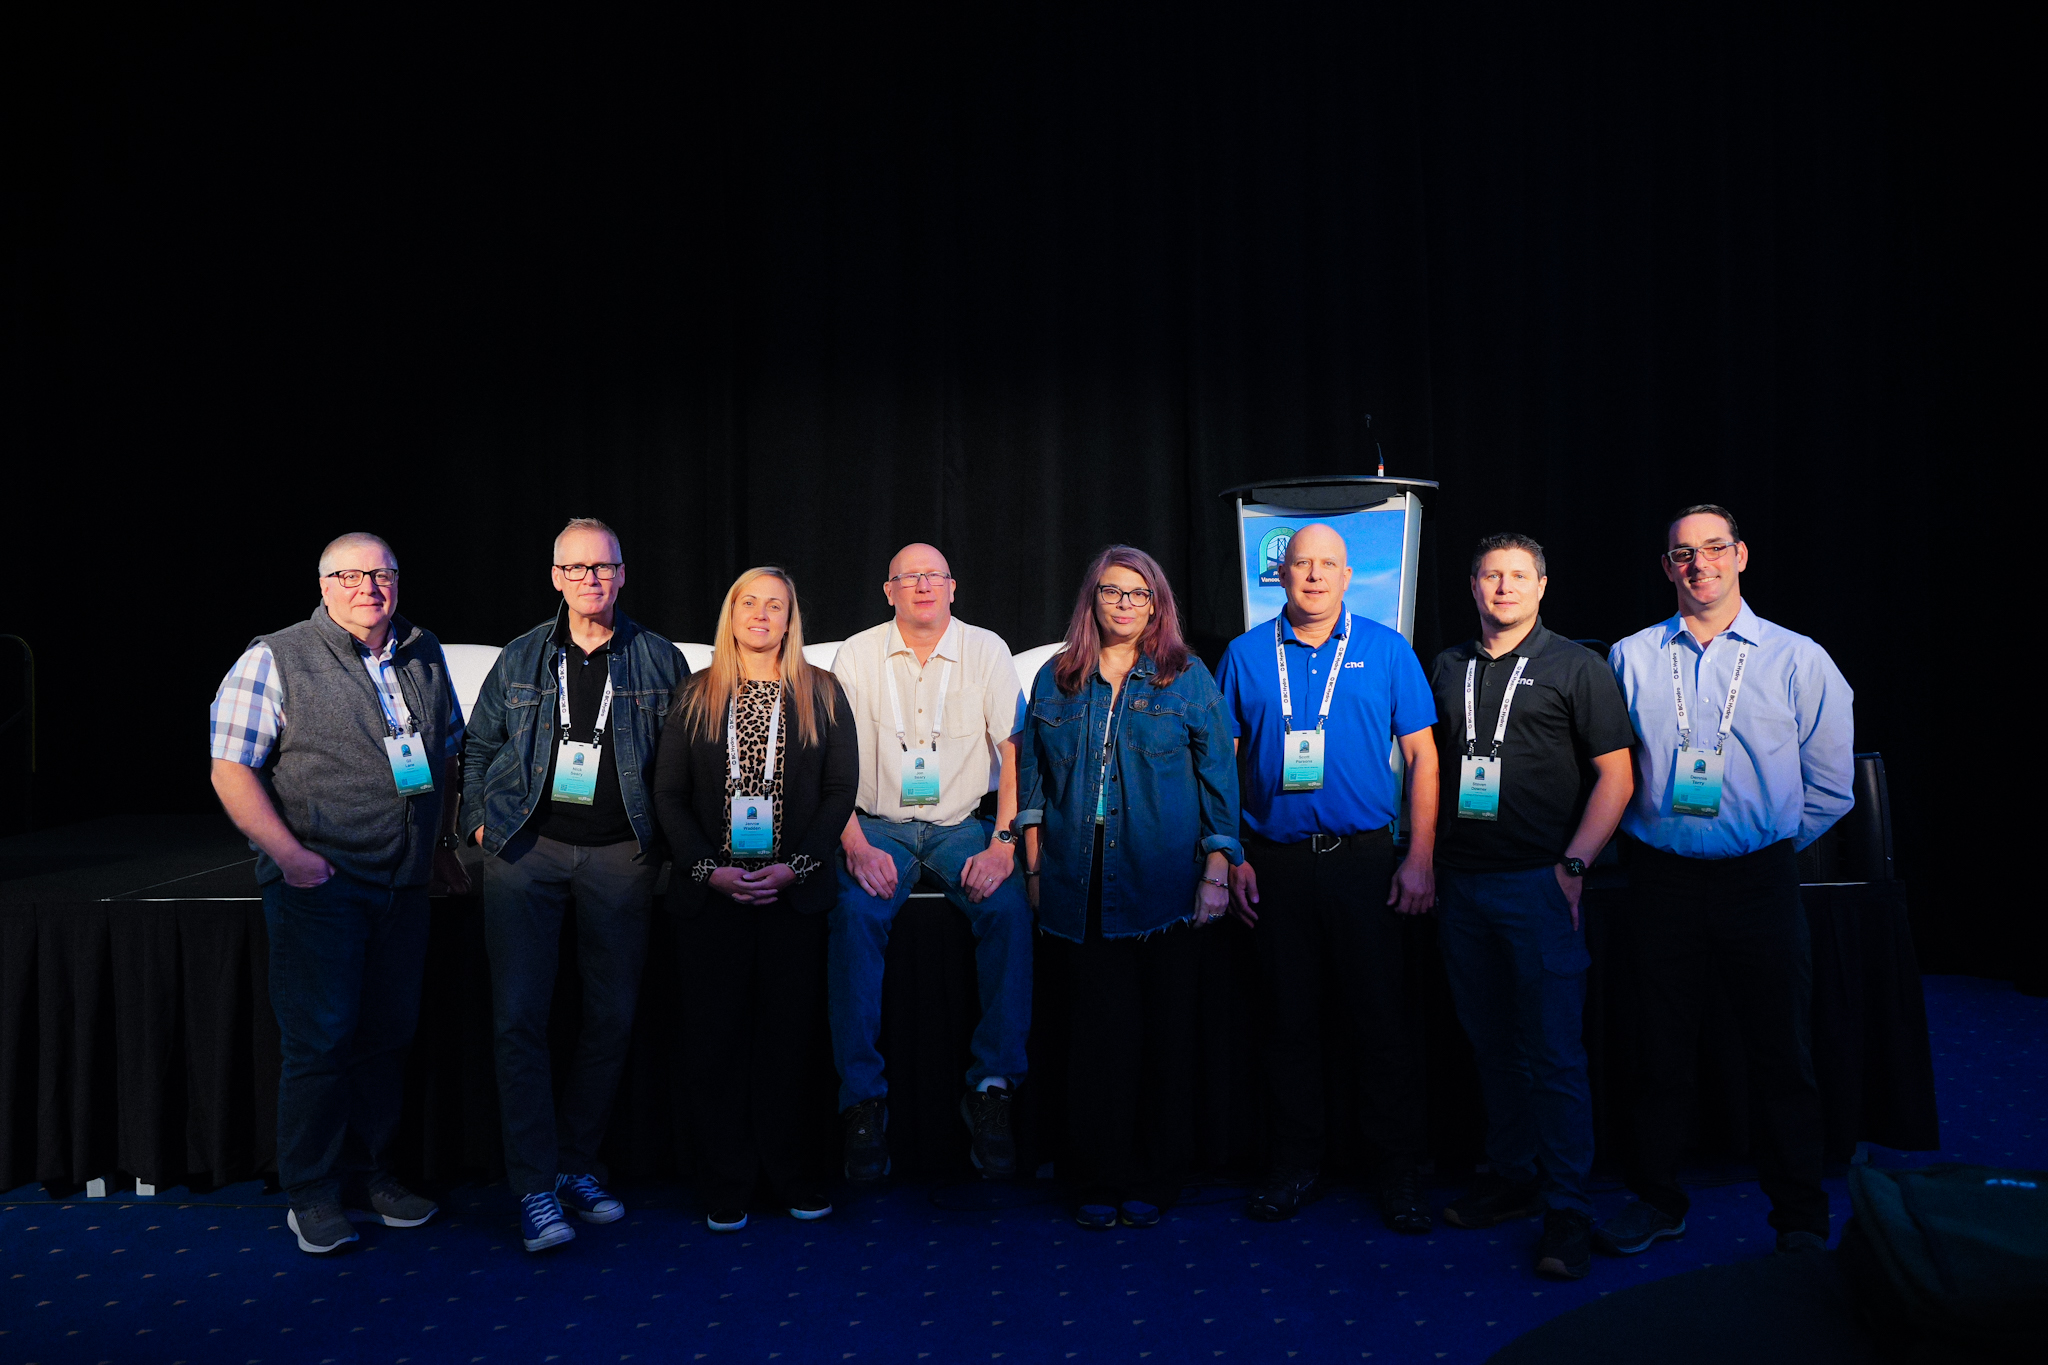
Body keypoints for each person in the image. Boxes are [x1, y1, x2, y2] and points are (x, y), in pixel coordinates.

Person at [1602, 504, 1854, 1257]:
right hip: (1661, 883)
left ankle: (1799, 1216)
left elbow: (1831, 784)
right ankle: (1656, 1200)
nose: (1699, 564)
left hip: (1759, 882)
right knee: (1658, 1051)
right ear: (1666, 567)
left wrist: (1761, 846)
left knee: (1782, 1053)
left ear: (1741, 556)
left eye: (1714, 548)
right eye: (1683, 553)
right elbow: (1610, 769)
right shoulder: (1630, 657)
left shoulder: (1798, 658)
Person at [207, 532, 468, 1255]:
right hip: (321, 886)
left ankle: (372, 1176)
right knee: (320, 1042)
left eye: (381, 575)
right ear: (323, 586)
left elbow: (447, 751)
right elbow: (230, 768)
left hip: (403, 885)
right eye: (349, 576)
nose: (367, 589)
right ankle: (313, 1192)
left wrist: (440, 845)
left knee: (387, 1038)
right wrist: (290, 857)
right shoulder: (276, 656)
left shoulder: (422, 649)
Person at [460, 517, 686, 1253]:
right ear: (556, 577)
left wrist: (671, 846)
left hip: (621, 855)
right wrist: (478, 825)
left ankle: (578, 1165)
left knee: (611, 1016)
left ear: (622, 575)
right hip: (527, 852)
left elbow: (682, 762)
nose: (592, 579)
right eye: (577, 568)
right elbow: (478, 745)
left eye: (604, 567)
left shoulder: (658, 658)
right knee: (519, 1019)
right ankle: (533, 1183)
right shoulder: (522, 656)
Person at [1217, 523, 1440, 1232]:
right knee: (1287, 1021)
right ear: (1279, 574)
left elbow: (1424, 759)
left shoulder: (1388, 648)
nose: (1313, 575)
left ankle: (1398, 1171)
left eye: (1327, 565)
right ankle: (1295, 1165)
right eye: (1301, 563)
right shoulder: (1244, 655)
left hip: (1365, 862)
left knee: (1381, 1020)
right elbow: (1223, 764)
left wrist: (1420, 857)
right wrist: (1232, 856)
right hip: (1274, 865)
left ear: (1348, 576)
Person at [1426, 533, 1635, 1281]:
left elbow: (1617, 776)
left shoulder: (1577, 666)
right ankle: (1513, 1176)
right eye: (1492, 575)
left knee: (1553, 1052)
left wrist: (1574, 865)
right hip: (1461, 885)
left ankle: (1567, 1206)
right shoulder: (1446, 665)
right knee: (1491, 1045)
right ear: (1473, 585)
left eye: (1519, 575)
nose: (1505, 587)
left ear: (1542, 587)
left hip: (1539, 886)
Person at [1016, 545, 1240, 1230]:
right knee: (1093, 1040)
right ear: (1092, 599)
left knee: (1163, 1038)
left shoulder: (1187, 677)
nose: (1124, 603)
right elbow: (1031, 787)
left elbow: (1220, 782)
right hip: (1076, 884)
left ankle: (1154, 1174)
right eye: (1112, 591)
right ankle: (1095, 1175)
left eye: (1138, 593)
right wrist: (1034, 869)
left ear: (1155, 605)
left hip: (1163, 883)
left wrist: (1217, 871)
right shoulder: (1057, 678)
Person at [652, 566, 858, 1233]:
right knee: (715, 1043)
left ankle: (792, 1174)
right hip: (712, 899)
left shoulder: (822, 692)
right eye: (749, 602)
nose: (762, 614)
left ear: (791, 619)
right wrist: (707, 870)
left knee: (789, 1043)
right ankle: (726, 1181)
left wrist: (795, 869)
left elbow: (839, 791)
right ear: (731, 613)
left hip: (791, 896)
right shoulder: (696, 692)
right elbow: (668, 795)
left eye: (775, 605)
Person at [829, 543, 1031, 1182]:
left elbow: (1015, 753)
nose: (922, 585)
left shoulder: (986, 649)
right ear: (888, 591)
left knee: (1010, 911)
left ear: (953, 587)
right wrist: (854, 845)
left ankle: (992, 1088)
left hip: (959, 826)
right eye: (908, 576)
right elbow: (831, 764)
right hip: (877, 828)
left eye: (934, 575)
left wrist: (1003, 844)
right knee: (852, 916)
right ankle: (862, 1101)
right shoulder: (856, 654)